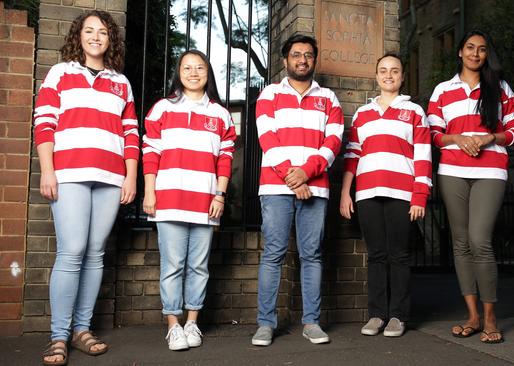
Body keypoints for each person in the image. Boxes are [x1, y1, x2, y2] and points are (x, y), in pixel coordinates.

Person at [34, 10, 139, 366]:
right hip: (69, 173)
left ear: (111, 39)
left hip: (110, 178)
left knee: (95, 254)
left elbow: (130, 134)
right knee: (72, 251)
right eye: (90, 30)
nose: (96, 37)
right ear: (78, 35)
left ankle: (82, 329)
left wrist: (130, 175)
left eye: (104, 32)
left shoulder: (120, 82)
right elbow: (44, 123)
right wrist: (48, 171)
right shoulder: (60, 73)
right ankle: (58, 337)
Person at [426, 30, 514, 344]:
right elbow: (432, 134)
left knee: (479, 239)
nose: (475, 53)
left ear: (486, 55)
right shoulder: (443, 90)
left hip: (490, 170)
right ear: (459, 52)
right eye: (470, 47)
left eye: (482, 49)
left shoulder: (500, 89)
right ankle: (472, 315)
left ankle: (491, 316)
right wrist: (456, 139)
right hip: (452, 169)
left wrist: (489, 138)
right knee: (460, 242)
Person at [251, 34, 344, 346]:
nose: (302, 60)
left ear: (314, 60)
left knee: (312, 255)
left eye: (307, 55)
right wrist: (294, 177)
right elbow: (268, 138)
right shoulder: (269, 95)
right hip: (276, 187)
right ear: (285, 60)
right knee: (273, 253)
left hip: (314, 187)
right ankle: (265, 323)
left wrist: (307, 173)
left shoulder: (329, 98)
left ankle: (312, 322)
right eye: (296, 55)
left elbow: (333, 142)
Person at [142, 50, 236, 350]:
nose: (193, 72)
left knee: (199, 266)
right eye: (187, 67)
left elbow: (225, 158)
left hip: (206, 201)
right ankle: (173, 325)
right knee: (172, 266)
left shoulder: (221, 114)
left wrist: (220, 195)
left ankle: (192, 322)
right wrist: (149, 191)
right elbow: (150, 154)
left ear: (208, 73)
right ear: (178, 72)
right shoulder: (161, 109)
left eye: (199, 67)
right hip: (168, 199)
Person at [340, 53, 432, 337]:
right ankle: (377, 314)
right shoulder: (362, 114)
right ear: (376, 76)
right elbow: (352, 155)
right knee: (377, 255)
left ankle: (398, 316)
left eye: (394, 71)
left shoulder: (415, 111)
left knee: (399, 255)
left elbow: (424, 156)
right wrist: (346, 192)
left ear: (402, 76)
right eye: (383, 71)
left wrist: (420, 196)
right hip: (367, 193)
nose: (388, 75)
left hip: (402, 193)